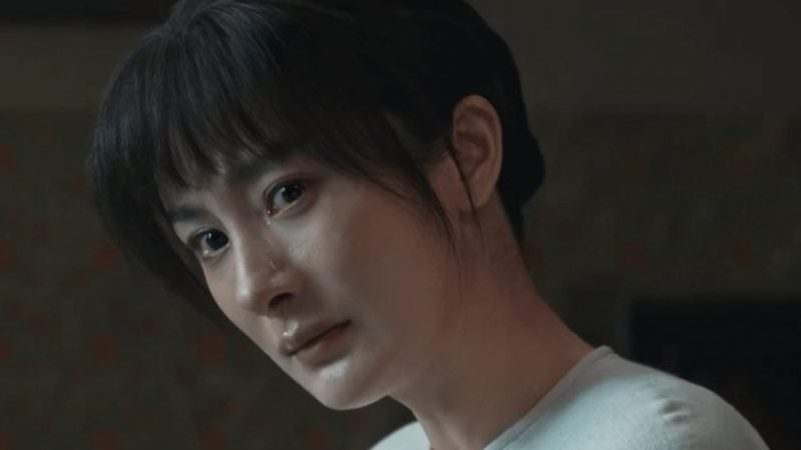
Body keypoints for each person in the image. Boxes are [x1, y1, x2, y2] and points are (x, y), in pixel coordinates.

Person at [87, 0, 769, 449]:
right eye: (209, 239)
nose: (254, 287)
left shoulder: (655, 439)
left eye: (286, 193)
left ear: (466, 154)